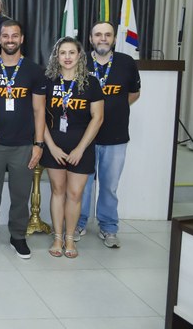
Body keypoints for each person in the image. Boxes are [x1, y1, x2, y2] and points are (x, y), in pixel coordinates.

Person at [0, 20, 46, 259]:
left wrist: (39, 144)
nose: (10, 40)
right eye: (5, 36)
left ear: (21, 39)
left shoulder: (34, 71)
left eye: (15, 36)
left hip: (24, 145)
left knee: (21, 194)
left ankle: (18, 236)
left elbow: (39, 111)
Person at [76, 21, 141, 248]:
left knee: (109, 186)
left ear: (114, 39)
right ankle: (78, 223)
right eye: (98, 34)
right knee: (82, 185)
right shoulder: (80, 61)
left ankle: (108, 227)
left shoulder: (126, 62)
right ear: (90, 39)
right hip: (85, 136)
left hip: (115, 136)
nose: (102, 38)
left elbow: (134, 93)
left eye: (107, 34)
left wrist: (112, 110)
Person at [42, 37, 104, 258]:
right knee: (58, 191)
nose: (67, 57)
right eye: (62, 53)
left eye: (71, 52)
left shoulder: (91, 83)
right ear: (56, 56)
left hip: (82, 146)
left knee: (75, 194)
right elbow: (39, 117)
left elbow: (98, 118)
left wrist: (80, 149)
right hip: (54, 145)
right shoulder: (48, 81)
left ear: (80, 56)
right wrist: (51, 147)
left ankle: (70, 238)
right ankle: (57, 238)